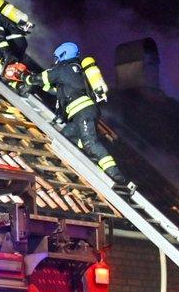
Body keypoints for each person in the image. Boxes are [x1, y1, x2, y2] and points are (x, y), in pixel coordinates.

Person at [29, 42, 130, 189]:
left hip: (82, 112)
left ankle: (116, 175)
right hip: (82, 113)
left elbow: (43, 77)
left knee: (90, 143)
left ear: (63, 55)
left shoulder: (64, 68)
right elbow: (58, 92)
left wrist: (25, 77)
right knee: (66, 138)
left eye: (57, 57)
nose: (55, 60)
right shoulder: (75, 71)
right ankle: (85, 160)